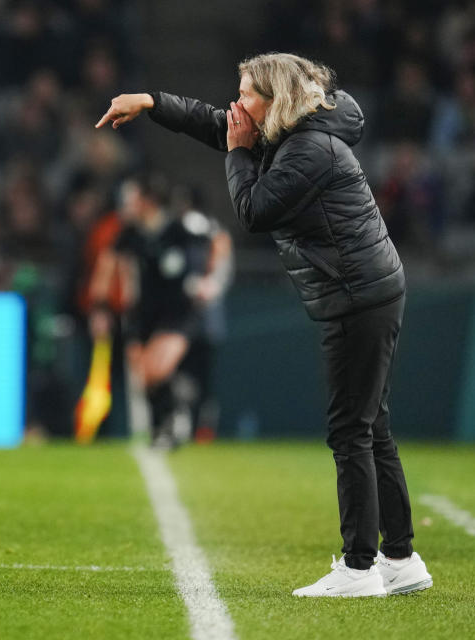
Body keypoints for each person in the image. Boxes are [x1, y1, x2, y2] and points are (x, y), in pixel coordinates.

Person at [96, 53, 432, 597]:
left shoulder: (307, 149)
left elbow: (253, 210)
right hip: (364, 290)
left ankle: (360, 567)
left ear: (275, 101)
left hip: (356, 295)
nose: (237, 102)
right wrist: (154, 103)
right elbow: (217, 122)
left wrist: (235, 154)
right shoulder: (298, 130)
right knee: (372, 428)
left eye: (248, 92)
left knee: (351, 430)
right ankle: (399, 558)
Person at [88, 174, 231, 449]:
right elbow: (108, 264)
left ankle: (177, 413)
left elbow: (218, 240)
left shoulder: (178, 228)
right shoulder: (130, 234)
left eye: (131, 199)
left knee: (156, 369)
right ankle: (166, 424)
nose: (125, 205)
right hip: (141, 314)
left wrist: (211, 280)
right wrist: (101, 306)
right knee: (144, 376)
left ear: (147, 201)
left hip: (177, 313)